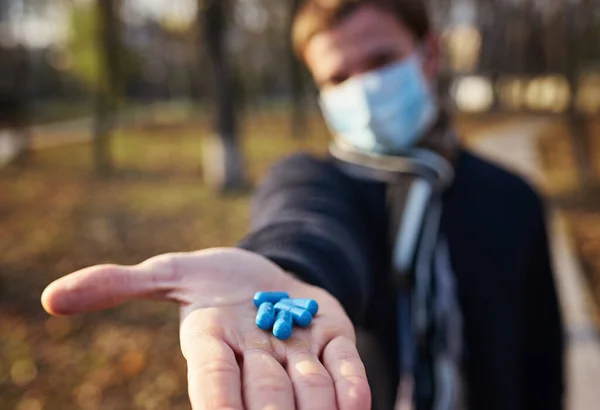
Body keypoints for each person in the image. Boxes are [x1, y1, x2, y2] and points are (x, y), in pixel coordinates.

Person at [41, 0, 564, 409]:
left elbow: (540, 358)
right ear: (320, 91)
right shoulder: (315, 179)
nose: (364, 89)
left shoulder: (513, 200)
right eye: (339, 77)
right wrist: (284, 267)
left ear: (429, 54)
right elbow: (305, 224)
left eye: (381, 61)